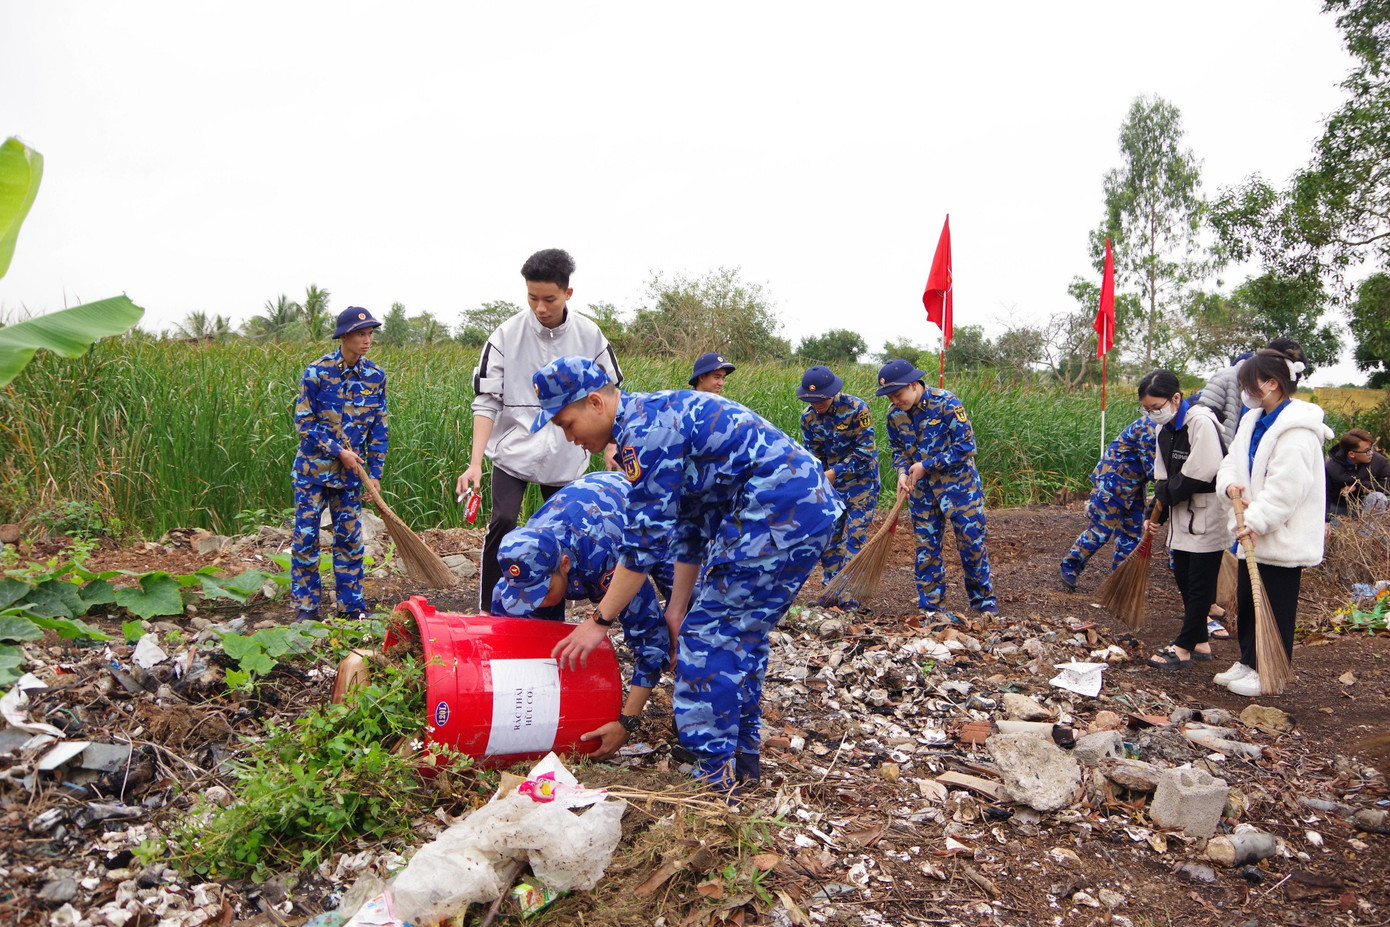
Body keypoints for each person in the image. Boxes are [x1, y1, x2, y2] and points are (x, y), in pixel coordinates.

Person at [532, 357, 841, 789]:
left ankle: (713, 784)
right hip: (800, 508)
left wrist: (599, 621)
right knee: (738, 635)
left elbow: (642, 545)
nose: (571, 438)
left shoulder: (645, 434)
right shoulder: (652, 416)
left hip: (778, 512)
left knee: (706, 641)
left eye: (568, 424)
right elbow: (692, 524)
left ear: (596, 403)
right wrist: (676, 608)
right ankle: (741, 764)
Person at [457, 249, 624, 614]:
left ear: (568, 293)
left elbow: (611, 397)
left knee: (558, 538)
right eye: (532, 298)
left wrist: (613, 446)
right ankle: (490, 610)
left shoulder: (590, 336)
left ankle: (550, 618)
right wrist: (475, 463)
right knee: (503, 521)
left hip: (567, 452)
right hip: (514, 449)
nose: (540, 308)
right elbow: (487, 401)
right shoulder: (506, 335)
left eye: (549, 299)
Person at [490, 471, 674, 759]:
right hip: (577, 517)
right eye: (524, 594)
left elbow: (649, 637)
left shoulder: (604, 557)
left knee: (687, 613)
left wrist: (626, 723)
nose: (535, 602)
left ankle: (699, 712)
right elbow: (507, 642)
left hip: (642, 513)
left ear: (564, 564)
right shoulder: (522, 560)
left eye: (542, 591)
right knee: (538, 629)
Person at [1215, 349, 1333, 696]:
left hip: (1280, 535)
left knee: (1275, 606)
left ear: (1271, 384)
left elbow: (1288, 489)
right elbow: (1232, 461)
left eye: (1248, 384)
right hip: (1250, 530)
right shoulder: (1252, 421)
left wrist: (1255, 520)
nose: (1244, 392)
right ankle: (1249, 660)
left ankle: (1271, 673)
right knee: (1249, 601)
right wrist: (1229, 486)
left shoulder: (1298, 432)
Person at [290, 307, 388, 623]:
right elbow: (304, 422)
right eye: (361, 334)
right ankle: (306, 608)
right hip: (313, 473)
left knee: (349, 540)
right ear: (344, 336)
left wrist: (375, 474)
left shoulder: (375, 377)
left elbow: (379, 427)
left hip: (350, 477)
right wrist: (338, 451)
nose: (367, 340)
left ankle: (351, 606)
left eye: (370, 333)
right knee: (306, 539)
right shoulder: (317, 372)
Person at [877, 359, 996, 614]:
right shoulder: (894, 414)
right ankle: (931, 608)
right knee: (926, 550)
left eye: (898, 394)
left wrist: (927, 465)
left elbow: (967, 446)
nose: (895, 401)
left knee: (971, 545)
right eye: (890, 397)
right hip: (921, 493)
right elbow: (898, 450)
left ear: (913, 384)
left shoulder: (946, 403)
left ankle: (984, 605)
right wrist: (901, 473)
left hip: (960, 489)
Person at [1138, 370, 1231, 668]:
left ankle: (1183, 647)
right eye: (1147, 409)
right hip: (1182, 516)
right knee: (1184, 578)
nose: (1153, 413)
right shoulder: (1163, 429)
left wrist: (1166, 496)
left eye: (1156, 407)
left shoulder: (1200, 422)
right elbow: (1163, 474)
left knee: (1200, 584)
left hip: (1207, 513)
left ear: (1176, 398)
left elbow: (1202, 470)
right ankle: (1201, 641)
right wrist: (1156, 512)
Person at [798, 365, 880, 599]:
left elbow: (865, 451)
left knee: (856, 537)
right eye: (811, 400)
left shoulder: (856, 408)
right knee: (830, 538)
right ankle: (832, 590)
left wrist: (835, 472)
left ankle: (852, 595)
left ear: (832, 392)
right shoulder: (808, 417)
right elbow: (813, 455)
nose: (817, 404)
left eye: (821, 399)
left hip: (861, 483)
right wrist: (819, 478)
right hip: (830, 486)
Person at [1059, 414, 1155, 591]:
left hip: (1134, 487)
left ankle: (1120, 580)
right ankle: (1070, 566)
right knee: (1100, 532)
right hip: (1113, 483)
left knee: (1131, 535)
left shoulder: (1169, 425)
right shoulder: (1149, 426)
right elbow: (1153, 469)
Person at [1325, 428, 1390, 519]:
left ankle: (1368, 528)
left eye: (1371, 448)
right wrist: (1326, 520)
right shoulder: (1331, 467)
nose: (1371, 453)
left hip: (1367, 506)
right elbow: (1324, 495)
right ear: (1352, 454)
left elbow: (1387, 486)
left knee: (1379, 498)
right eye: (1367, 451)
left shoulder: (1379, 462)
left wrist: (1358, 486)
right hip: (1339, 507)